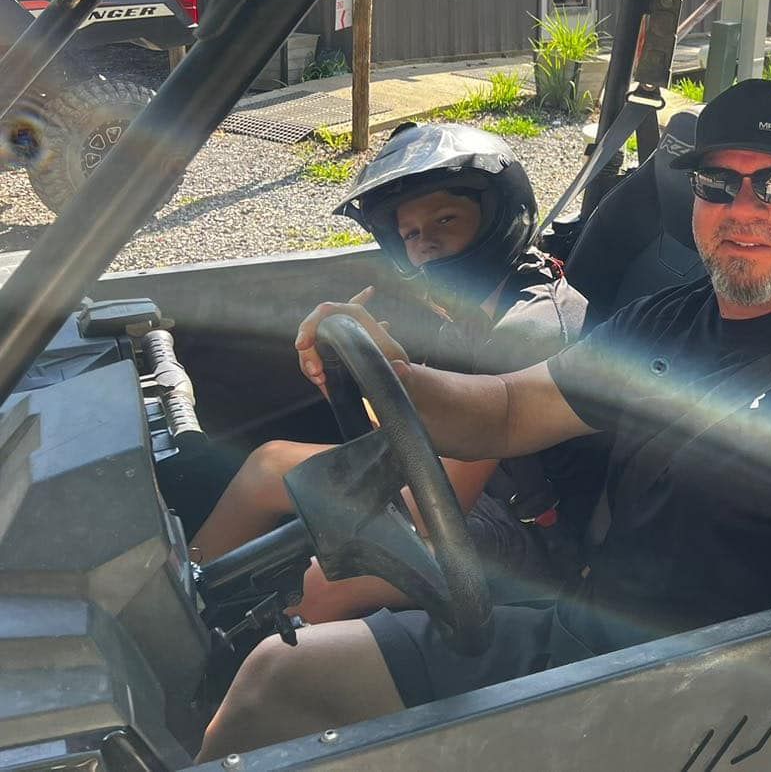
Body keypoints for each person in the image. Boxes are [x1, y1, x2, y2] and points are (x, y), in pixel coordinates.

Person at [200, 79, 771, 758]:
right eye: (718, 184)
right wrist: (395, 374)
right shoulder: (671, 319)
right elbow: (504, 412)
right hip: (589, 637)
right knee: (279, 674)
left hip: (704, 701)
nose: (742, 211)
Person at [192, 122, 586, 622]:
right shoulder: (478, 307)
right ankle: (176, 606)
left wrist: (329, 512)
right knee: (268, 464)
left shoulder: (527, 330)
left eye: (446, 219)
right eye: (412, 233)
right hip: (465, 487)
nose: (427, 243)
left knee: (318, 587)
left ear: (497, 217)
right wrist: (364, 372)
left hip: (530, 534)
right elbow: (423, 432)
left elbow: (428, 509)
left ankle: (225, 661)